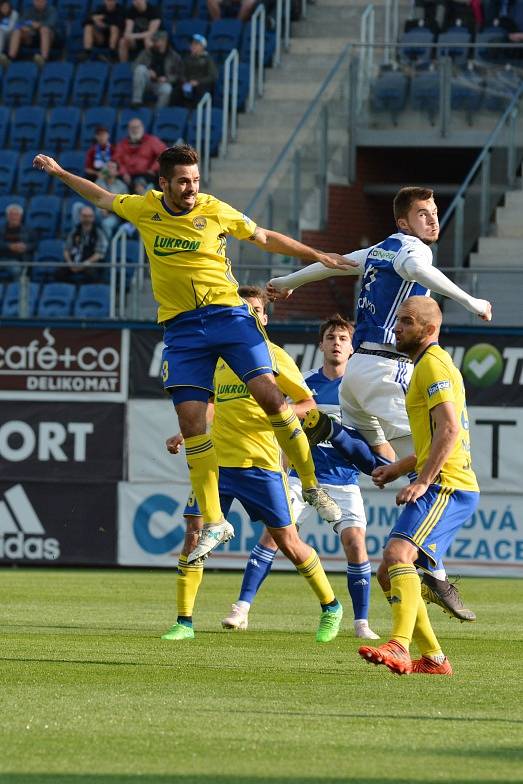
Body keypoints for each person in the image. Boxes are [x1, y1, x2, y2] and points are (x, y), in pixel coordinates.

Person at [32, 144, 349, 565]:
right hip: (181, 329)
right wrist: (60, 172)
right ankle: (216, 521)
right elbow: (101, 197)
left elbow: (265, 237)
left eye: (196, 180)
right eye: (183, 181)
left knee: (272, 398)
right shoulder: (144, 208)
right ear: (163, 183)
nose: (191, 188)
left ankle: (310, 484)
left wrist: (316, 256)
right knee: (191, 422)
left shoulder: (214, 210)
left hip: (229, 317)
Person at [267, 185, 491, 621]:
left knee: (379, 459)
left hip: (356, 374)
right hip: (388, 369)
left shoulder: (377, 249)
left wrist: (286, 282)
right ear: (403, 222)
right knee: (445, 451)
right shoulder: (411, 250)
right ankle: (435, 566)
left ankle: (328, 428)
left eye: (434, 212)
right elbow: (419, 271)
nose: (432, 220)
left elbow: (332, 266)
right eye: (423, 213)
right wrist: (469, 300)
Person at [162, 286, 343, 643]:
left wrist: (281, 412)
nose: (249, 314)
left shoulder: (272, 356)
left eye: (255, 310)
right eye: (241, 309)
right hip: (217, 465)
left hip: (261, 465)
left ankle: (331, 606)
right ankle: (184, 622)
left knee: (289, 543)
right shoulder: (217, 359)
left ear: (264, 317)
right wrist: (186, 433)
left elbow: (308, 403)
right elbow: (208, 404)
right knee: (194, 535)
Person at [222, 313, 379, 640]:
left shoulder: (360, 390)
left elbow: (373, 439)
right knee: (274, 536)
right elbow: (284, 425)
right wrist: (282, 466)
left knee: (356, 544)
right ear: (320, 344)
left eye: (343, 339)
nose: (336, 343)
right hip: (301, 479)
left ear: (352, 348)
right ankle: (241, 608)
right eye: (331, 338)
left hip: (345, 481)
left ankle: (361, 623)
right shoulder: (305, 384)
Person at [358, 296, 480, 675]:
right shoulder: (425, 365)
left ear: (429, 329)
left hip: (447, 483)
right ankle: (434, 658)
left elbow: (450, 429)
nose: (397, 328)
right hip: (440, 478)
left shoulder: (433, 365)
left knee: (398, 555)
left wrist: (423, 480)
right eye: (398, 321)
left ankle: (399, 644)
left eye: (407, 322)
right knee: (387, 572)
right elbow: (435, 436)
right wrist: (401, 467)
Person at [131, 29, 184, 109]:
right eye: (154, 41)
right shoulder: (146, 52)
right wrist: (148, 71)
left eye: (157, 41)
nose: (154, 43)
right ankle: (136, 101)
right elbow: (134, 66)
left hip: (160, 83)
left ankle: (158, 113)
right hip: (146, 81)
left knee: (167, 88)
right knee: (140, 68)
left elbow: (179, 74)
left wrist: (167, 79)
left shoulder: (174, 56)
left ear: (164, 41)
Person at [57, 205, 108, 284]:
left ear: (93, 218)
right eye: (84, 216)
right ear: (80, 217)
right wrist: (70, 263)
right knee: (58, 273)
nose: (87, 219)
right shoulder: (75, 231)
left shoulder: (98, 233)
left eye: (89, 216)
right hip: (73, 262)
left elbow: (99, 254)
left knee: (93, 275)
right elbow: (66, 250)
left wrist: (83, 265)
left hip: (89, 263)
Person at [113, 117, 166, 188]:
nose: (135, 130)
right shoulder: (122, 144)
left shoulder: (151, 140)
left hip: (145, 175)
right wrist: (124, 172)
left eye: (137, 127)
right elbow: (116, 160)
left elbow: (164, 153)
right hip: (127, 175)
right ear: (128, 129)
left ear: (142, 128)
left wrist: (153, 169)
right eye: (132, 128)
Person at [1, 0, 57, 66]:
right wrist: (24, 28)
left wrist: (39, 25)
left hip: (49, 37)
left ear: (45, 1)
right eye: (37, 1)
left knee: (44, 29)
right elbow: (20, 23)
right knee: (17, 30)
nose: (39, 3)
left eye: (41, 1)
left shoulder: (52, 10)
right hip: (31, 36)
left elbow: (51, 24)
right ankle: (10, 58)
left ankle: (43, 59)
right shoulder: (29, 10)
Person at [178, 34, 217, 108]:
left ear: (202, 46)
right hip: (188, 84)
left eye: (196, 44)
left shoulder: (208, 59)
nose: (193, 46)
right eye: (192, 44)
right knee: (177, 92)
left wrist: (198, 82)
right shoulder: (186, 58)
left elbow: (213, 76)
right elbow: (181, 73)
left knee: (200, 92)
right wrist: (185, 82)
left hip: (202, 85)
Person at [0, 203, 35, 281]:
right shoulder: (1, 229)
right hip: (2, 257)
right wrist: (9, 246)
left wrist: (25, 247)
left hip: (18, 259)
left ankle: (16, 291)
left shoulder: (28, 230)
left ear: (20, 216)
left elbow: (34, 244)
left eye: (16, 215)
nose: (13, 217)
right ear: (7, 216)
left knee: (16, 270)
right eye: (11, 215)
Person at [95, 160, 128, 238]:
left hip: (113, 216)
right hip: (97, 213)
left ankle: (105, 249)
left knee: (106, 223)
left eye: (112, 167)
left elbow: (124, 206)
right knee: (77, 207)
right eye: (107, 167)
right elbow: (92, 195)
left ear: (117, 172)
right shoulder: (99, 181)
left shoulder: (122, 186)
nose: (108, 169)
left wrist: (109, 210)